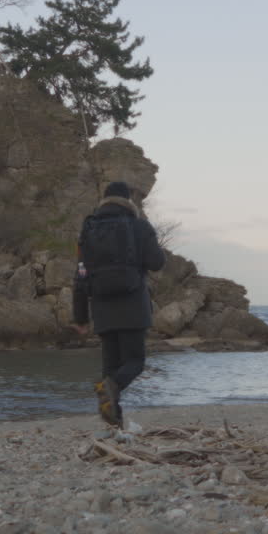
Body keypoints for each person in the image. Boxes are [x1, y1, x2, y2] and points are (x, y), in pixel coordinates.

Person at [71, 181, 166, 426]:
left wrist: (80, 316)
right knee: (134, 362)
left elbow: (80, 274)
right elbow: (157, 262)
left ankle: (113, 421)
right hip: (133, 304)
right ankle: (111, 390)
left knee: (111, 365)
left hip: (102, 307)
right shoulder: (139, 226)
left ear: (104, 200)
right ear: (129, 201)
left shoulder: (88, 231)